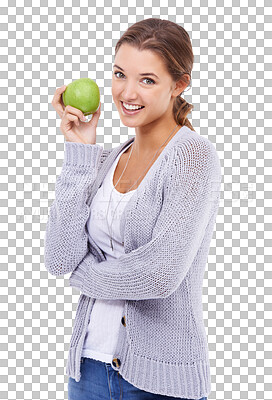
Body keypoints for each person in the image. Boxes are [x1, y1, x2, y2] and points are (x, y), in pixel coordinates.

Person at [45, 17, 221, 400]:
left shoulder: (192, 156)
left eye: (147, 80)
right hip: (88, 370)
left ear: (179, 85)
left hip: (162, 381)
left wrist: (83, 275)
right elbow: (60, 258)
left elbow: (159, 275)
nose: (127, 92)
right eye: (119, 74)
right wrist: (81, 152)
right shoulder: (106, 161)